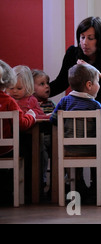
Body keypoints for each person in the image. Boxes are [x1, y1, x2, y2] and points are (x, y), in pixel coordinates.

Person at [50, 63, 101, 201]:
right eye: (98, 82)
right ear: (89, 85)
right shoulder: (95, 105)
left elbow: (53, 120)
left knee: (76, 153)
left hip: (69, 149)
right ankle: (97, 187)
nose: (99, 86)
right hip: (92, 149)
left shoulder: (64, 102)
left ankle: (78, 186)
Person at [49, 16, 101, 105]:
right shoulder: (73, 54)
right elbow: (61, 83)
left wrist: (94, 72)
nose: (84, 43)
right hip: (81, 107)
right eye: (82, 37)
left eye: (90, 38)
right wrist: (36, 92)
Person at [0, 60, 36, 205]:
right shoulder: (9, 101)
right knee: (25, 149)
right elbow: (21, 124)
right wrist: (31, 116)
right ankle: (11, 195)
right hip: (6, 149)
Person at [32, 69, 56, 195]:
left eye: (47, 83)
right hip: (37, 139)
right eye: (42, 84)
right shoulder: (32, 104)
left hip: (53, 137)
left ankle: (57, 185)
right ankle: (40, 183)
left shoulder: (51, 104)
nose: (47, 86)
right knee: (43, 154)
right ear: (31, 87)